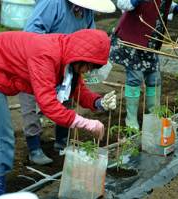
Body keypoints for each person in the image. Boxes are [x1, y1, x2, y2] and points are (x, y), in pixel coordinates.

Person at [0, 29, 116, 199]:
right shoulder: (47, 54)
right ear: (81, 56)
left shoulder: (68, 59)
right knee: (1, 136)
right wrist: (83, 122)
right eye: (89, 66)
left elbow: (76, 90)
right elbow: (48, 104)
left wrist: (98, 102)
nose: (89, 71)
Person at [19, 0, 116, 165]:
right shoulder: (53, 3)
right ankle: (34, 148)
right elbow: (31, 34)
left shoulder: (87, 10)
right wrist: (52, 54)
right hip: (43, 61)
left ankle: (62, 141)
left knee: (68, 98)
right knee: (34, 103)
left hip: (70, 63)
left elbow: (90, 36)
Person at [109, 0, 178, 129]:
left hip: (151, 43)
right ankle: (131, 120)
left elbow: (162, 4)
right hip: (132, 40)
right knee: (135, 79)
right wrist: (134, 1)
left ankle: (155, 116)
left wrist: (177, 9)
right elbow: (121, 3)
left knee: (155, 79)